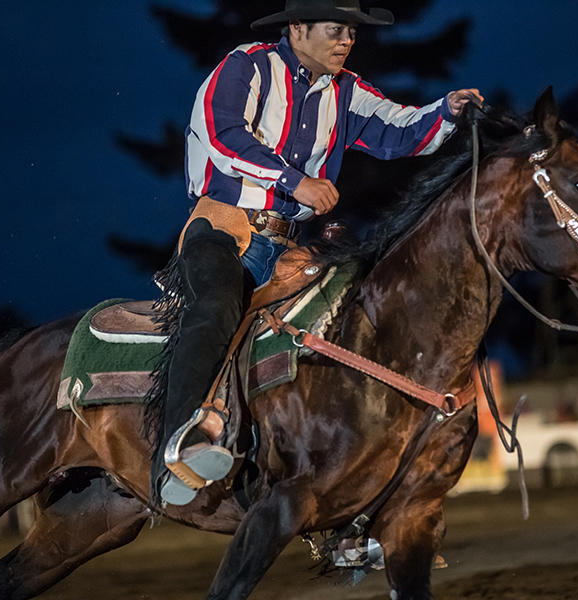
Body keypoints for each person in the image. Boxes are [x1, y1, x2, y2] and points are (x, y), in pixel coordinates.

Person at [154, 0, 484, 505]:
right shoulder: (246, 66)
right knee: (216, 308)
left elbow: (399, 131)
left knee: (352, 327)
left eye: (351, 33)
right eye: (335, 30)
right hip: (224, 228)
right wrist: (296, 182)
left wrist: (447, 112)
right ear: (297, 28)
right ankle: (173, 451)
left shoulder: (347, 91)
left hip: (290, 248)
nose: (346, 41)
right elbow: (223, 137)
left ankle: (337, 485)